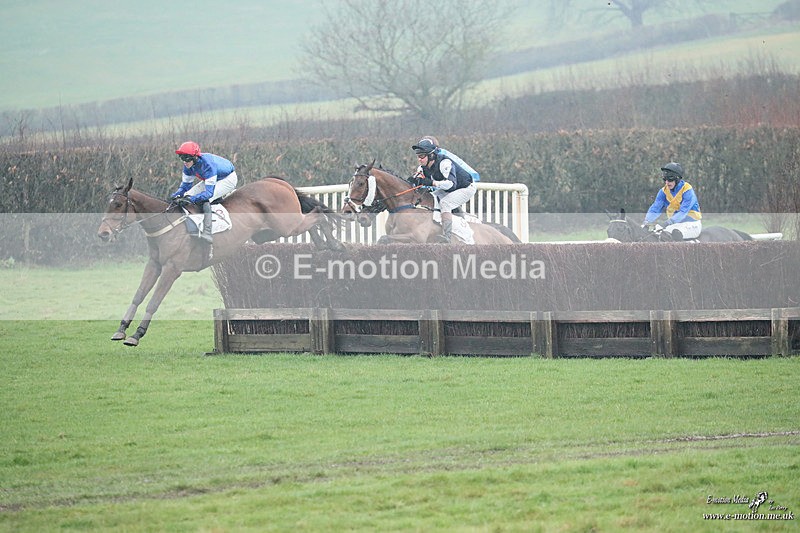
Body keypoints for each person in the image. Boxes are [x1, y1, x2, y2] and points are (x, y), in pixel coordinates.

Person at [410, 138, 477, 243]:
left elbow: (451, 185)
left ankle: (447, 236)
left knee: (445, 203)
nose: (419, 159)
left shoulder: (444, 163)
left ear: (431, 155)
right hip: (450, 188)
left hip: (466, 188)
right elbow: (417, 181)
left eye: (422, 156)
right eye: (418, 156)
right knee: (430, 197)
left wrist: (432, 183)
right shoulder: (422, 168)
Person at [171, 141, 238, 244]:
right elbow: (185, 186)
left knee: (204, 200)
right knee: (185, 196)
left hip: (227, 179)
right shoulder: (188, 166)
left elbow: (208, 193)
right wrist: (176, 196)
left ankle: (207, 232)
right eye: (182, 157)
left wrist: (192, 199)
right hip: (212, 178)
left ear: (195, 157)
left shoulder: (207, 165)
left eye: (186, 158)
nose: (184, 161)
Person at [642, 161, 702, 241]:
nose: (667, 182)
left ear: (677, 178)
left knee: (673, 234)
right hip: (674, 225)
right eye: (665, 179)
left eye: (669, 179)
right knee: (658, 235)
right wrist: (647, 222)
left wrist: (667, 222)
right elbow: (655, 208)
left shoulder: (687, 190)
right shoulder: (663, 192)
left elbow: (683, 212)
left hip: (692, 224)